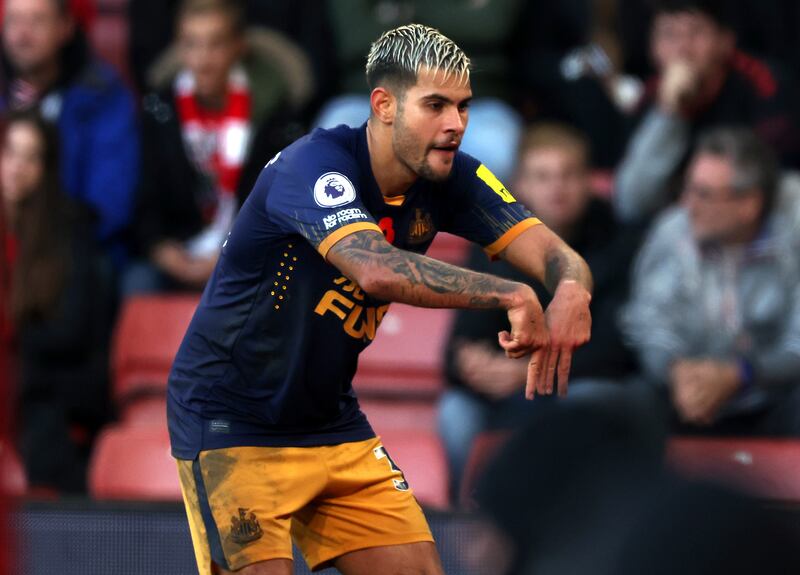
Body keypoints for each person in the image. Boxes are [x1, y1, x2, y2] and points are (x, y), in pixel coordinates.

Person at [168, 24, 593, 575]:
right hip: (231, 419)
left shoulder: (452, 176)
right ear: (384, 104)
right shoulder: (313, 165)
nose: (455, 125)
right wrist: (510, 293)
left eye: (463, 107)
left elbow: (556, 253)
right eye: (436, 105)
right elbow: (375, 269)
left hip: (328, 419)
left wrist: (571, 289)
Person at [439, 122, 641, 502]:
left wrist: (527, 372)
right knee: (455, 412)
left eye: (568, 175)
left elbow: (620, 348)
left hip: (583, 384)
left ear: (589, 182)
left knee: (591, 398)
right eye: (542, 176)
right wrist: (470, 364)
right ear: (521, 186)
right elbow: (457, 347)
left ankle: (582, 524)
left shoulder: (619, 241)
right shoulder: (491, 239)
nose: (557, 188)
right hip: (513, 391)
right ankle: (470, 524)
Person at [621, 126, 800, 436]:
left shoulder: (792, 234)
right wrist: (675, 371)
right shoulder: (672, 231)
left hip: (772, 396)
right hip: (683, 395)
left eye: (703, 194)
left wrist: (741, 374)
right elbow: (650, 325)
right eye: (687, 188)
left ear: (749, 205)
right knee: (616, 404)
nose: (688, 204)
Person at [124, 0, 302, 295]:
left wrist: (229, 254)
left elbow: (282, 209)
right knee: (138, 282)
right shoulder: (159, 113)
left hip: (249, 256)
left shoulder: (274, 117)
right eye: (192, 44)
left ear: (239, 46)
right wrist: (165, 254)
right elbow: (144, 203)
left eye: (216, 44)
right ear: (179, 49)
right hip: (177, 256)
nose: (203, 59)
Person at [0, 110, 114, 493]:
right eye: (10, 153)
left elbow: (69, 331)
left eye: (31, 157)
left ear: (47, 167)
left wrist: (12, 336)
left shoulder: (68, 232)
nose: (18, 167)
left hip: (47, 390)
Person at [614, 0, 799, 224]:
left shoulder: (764, 84)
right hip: (682, 224)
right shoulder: (650, 98)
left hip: (755, 218)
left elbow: (774, 182)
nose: (683, 49)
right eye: (669, 35)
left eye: (696, 33)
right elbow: (632, 202)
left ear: (725, 41)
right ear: (653, 47)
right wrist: (670, 113)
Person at [0, 0, 139, 265]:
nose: (22, 34)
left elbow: (109, 206)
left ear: (65, 26)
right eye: (14, 21)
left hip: (75, 252)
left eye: (36, 21)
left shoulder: (102, 95)